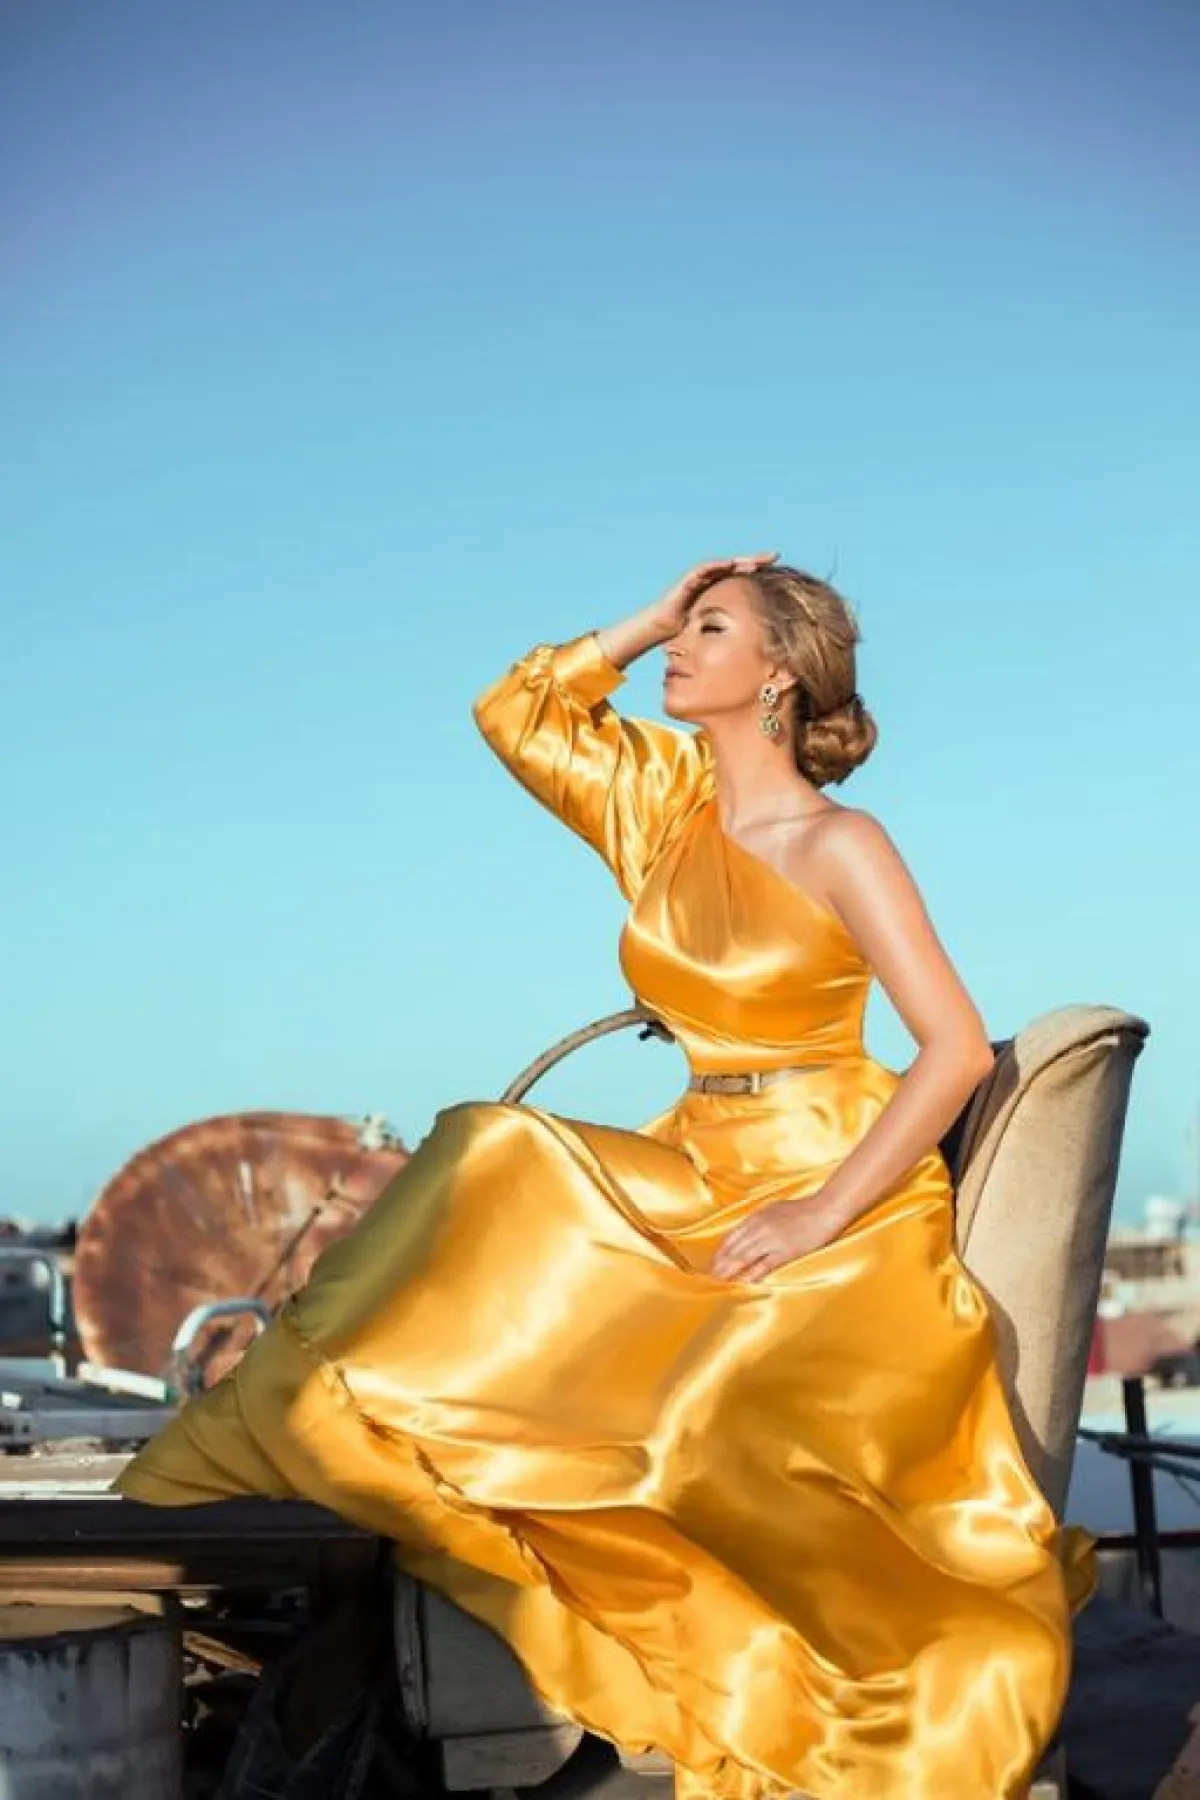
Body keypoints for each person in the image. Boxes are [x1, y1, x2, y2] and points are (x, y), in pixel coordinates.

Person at [115, 554, 1094, 1800]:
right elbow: (514, 714)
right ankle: (310, 1415)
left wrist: (818, 1213)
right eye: (683, 629)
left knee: (693, 1426)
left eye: (710, 630)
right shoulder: (665, 806)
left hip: (829, 1181)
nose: (679, 649)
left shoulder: (843, 843)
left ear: (779, 673)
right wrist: (647, 617)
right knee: (492, 1146)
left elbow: (954, 1048)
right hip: (698, 1155)